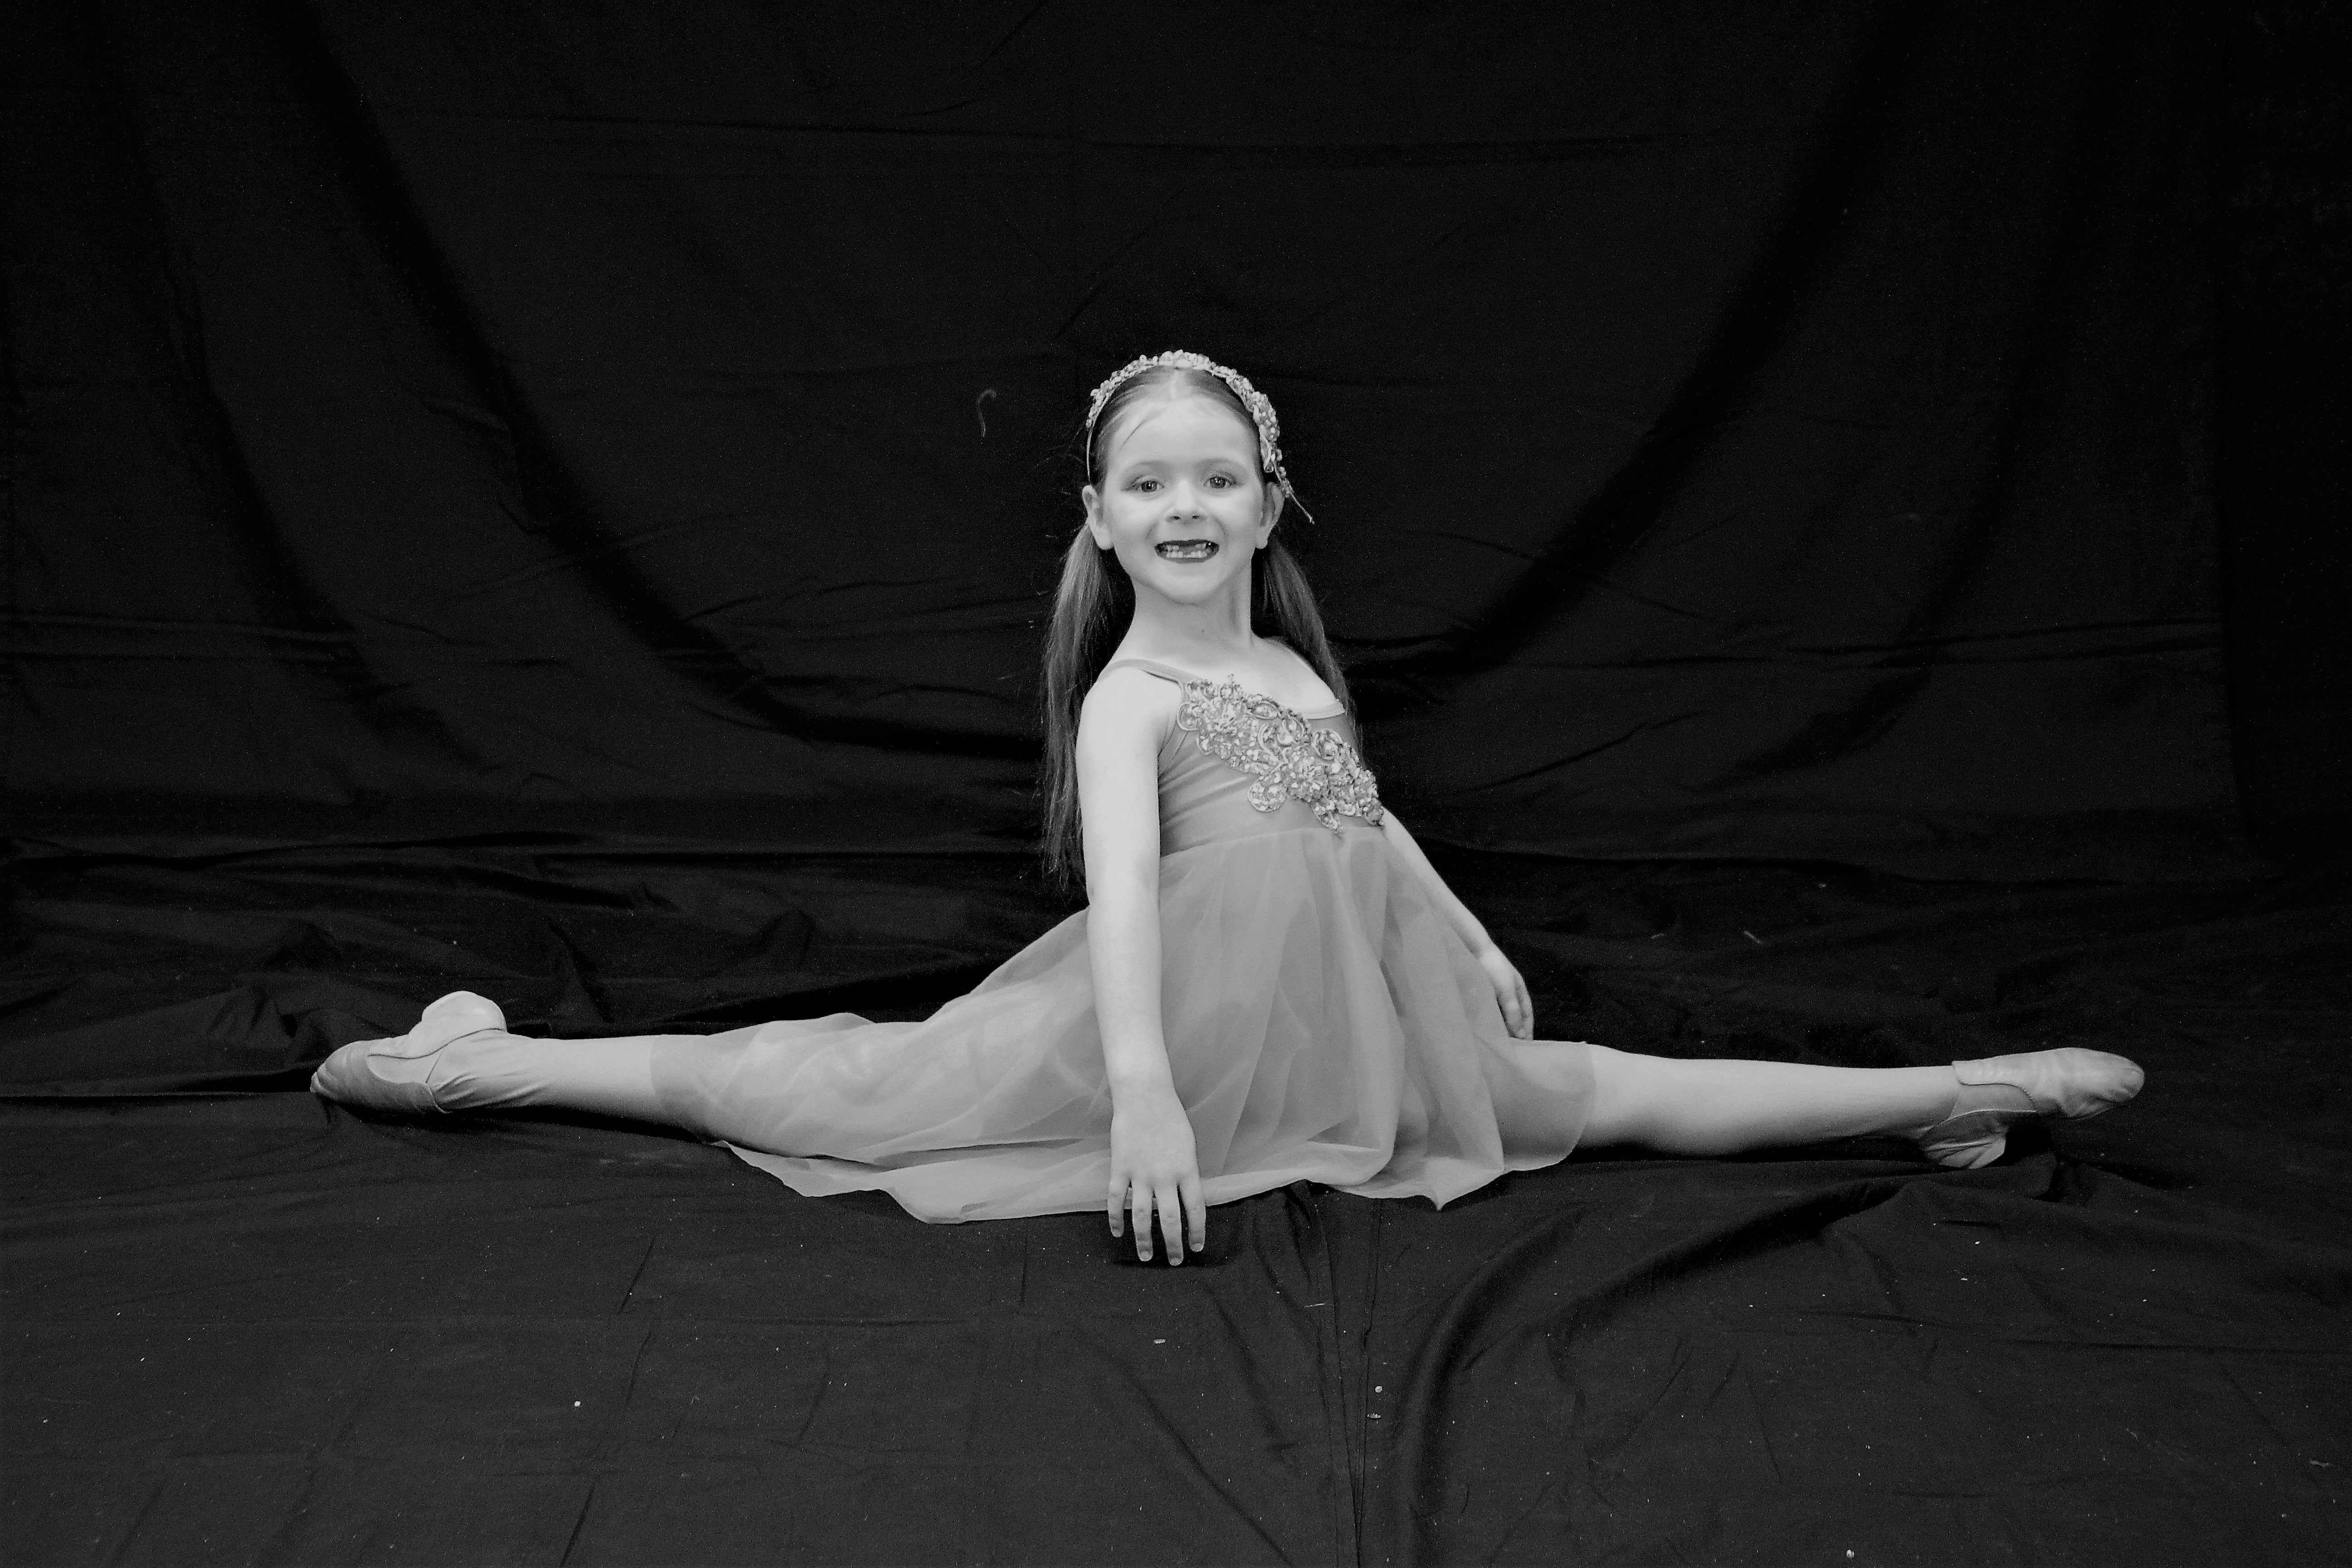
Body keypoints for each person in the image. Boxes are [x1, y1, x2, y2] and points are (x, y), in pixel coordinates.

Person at [311, 349, 2143, 1263]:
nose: (1184, 506)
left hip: (1354, 1014)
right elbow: (1124, 899)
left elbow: (1363, 813)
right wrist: (1140, 1094)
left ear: (1271, 503)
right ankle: (463, 1066)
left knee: (1609, 1094)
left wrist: (1466, 932)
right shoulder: (1131, 700)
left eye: (1216, 478)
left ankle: (1954, 1096)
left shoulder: (1286, 666)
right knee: (802, 1081)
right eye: (1148, 484)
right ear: (1101, 522)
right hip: (1165, 1034)